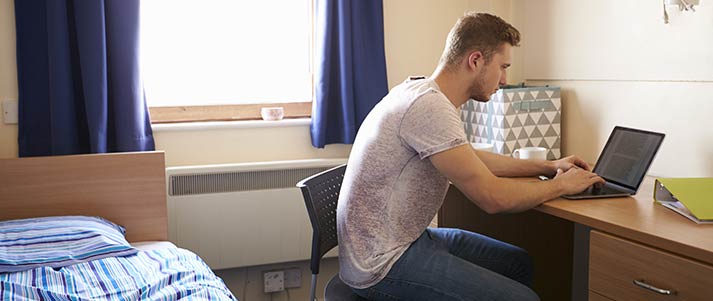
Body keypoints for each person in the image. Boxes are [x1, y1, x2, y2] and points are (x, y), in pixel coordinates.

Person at [336, 12, 604, 301]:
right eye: (503, 67)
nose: (504, 79)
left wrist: (550, 167)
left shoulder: (421, 90)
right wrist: (563, 185)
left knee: (517, 263)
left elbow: (471, 159)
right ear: (475, 60)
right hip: (383, 263)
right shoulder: (429, 106)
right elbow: (492, 198)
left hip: (401, 241)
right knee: (523, 299)